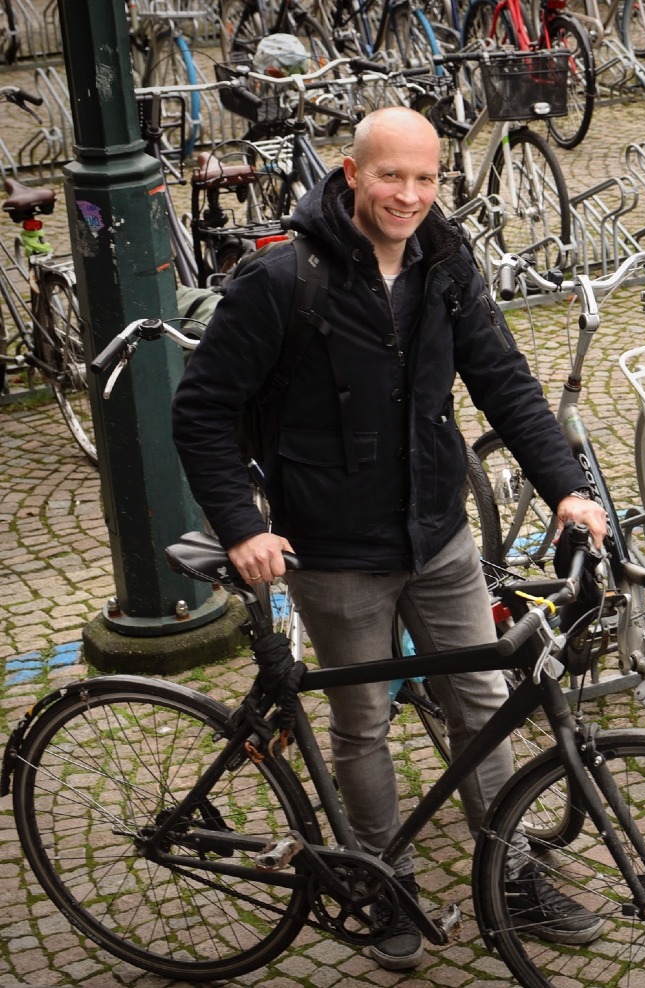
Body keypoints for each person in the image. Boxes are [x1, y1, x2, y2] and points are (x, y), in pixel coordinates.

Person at [172, 106, 609, 971]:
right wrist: (245, 526)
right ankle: (381, 882)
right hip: (334, 552)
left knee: (481, 706)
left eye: (425, 178)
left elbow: (503, 378)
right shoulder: (280, 281)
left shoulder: (445, 264)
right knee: (363, 724)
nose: (409, 195)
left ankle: (510, 872)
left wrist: (567, 486)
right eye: (390, 177)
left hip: (439, 532)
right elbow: (201, 411)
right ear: (351, 174)